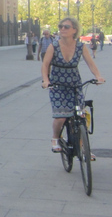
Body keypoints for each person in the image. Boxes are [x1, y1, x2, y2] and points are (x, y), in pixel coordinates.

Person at [41, 17, 105, 153]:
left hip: (75, 86)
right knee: (61, 116)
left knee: (81, 116)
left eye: (66, 27)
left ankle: (83, 147)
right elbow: (45, 65)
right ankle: (55, 138)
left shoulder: (81, 46)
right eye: (61, 26)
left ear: (74, 30)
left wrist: (98, 76)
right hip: (57, 86)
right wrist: (46, 80)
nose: (62, 29)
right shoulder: (54, 46)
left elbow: (90, 63)